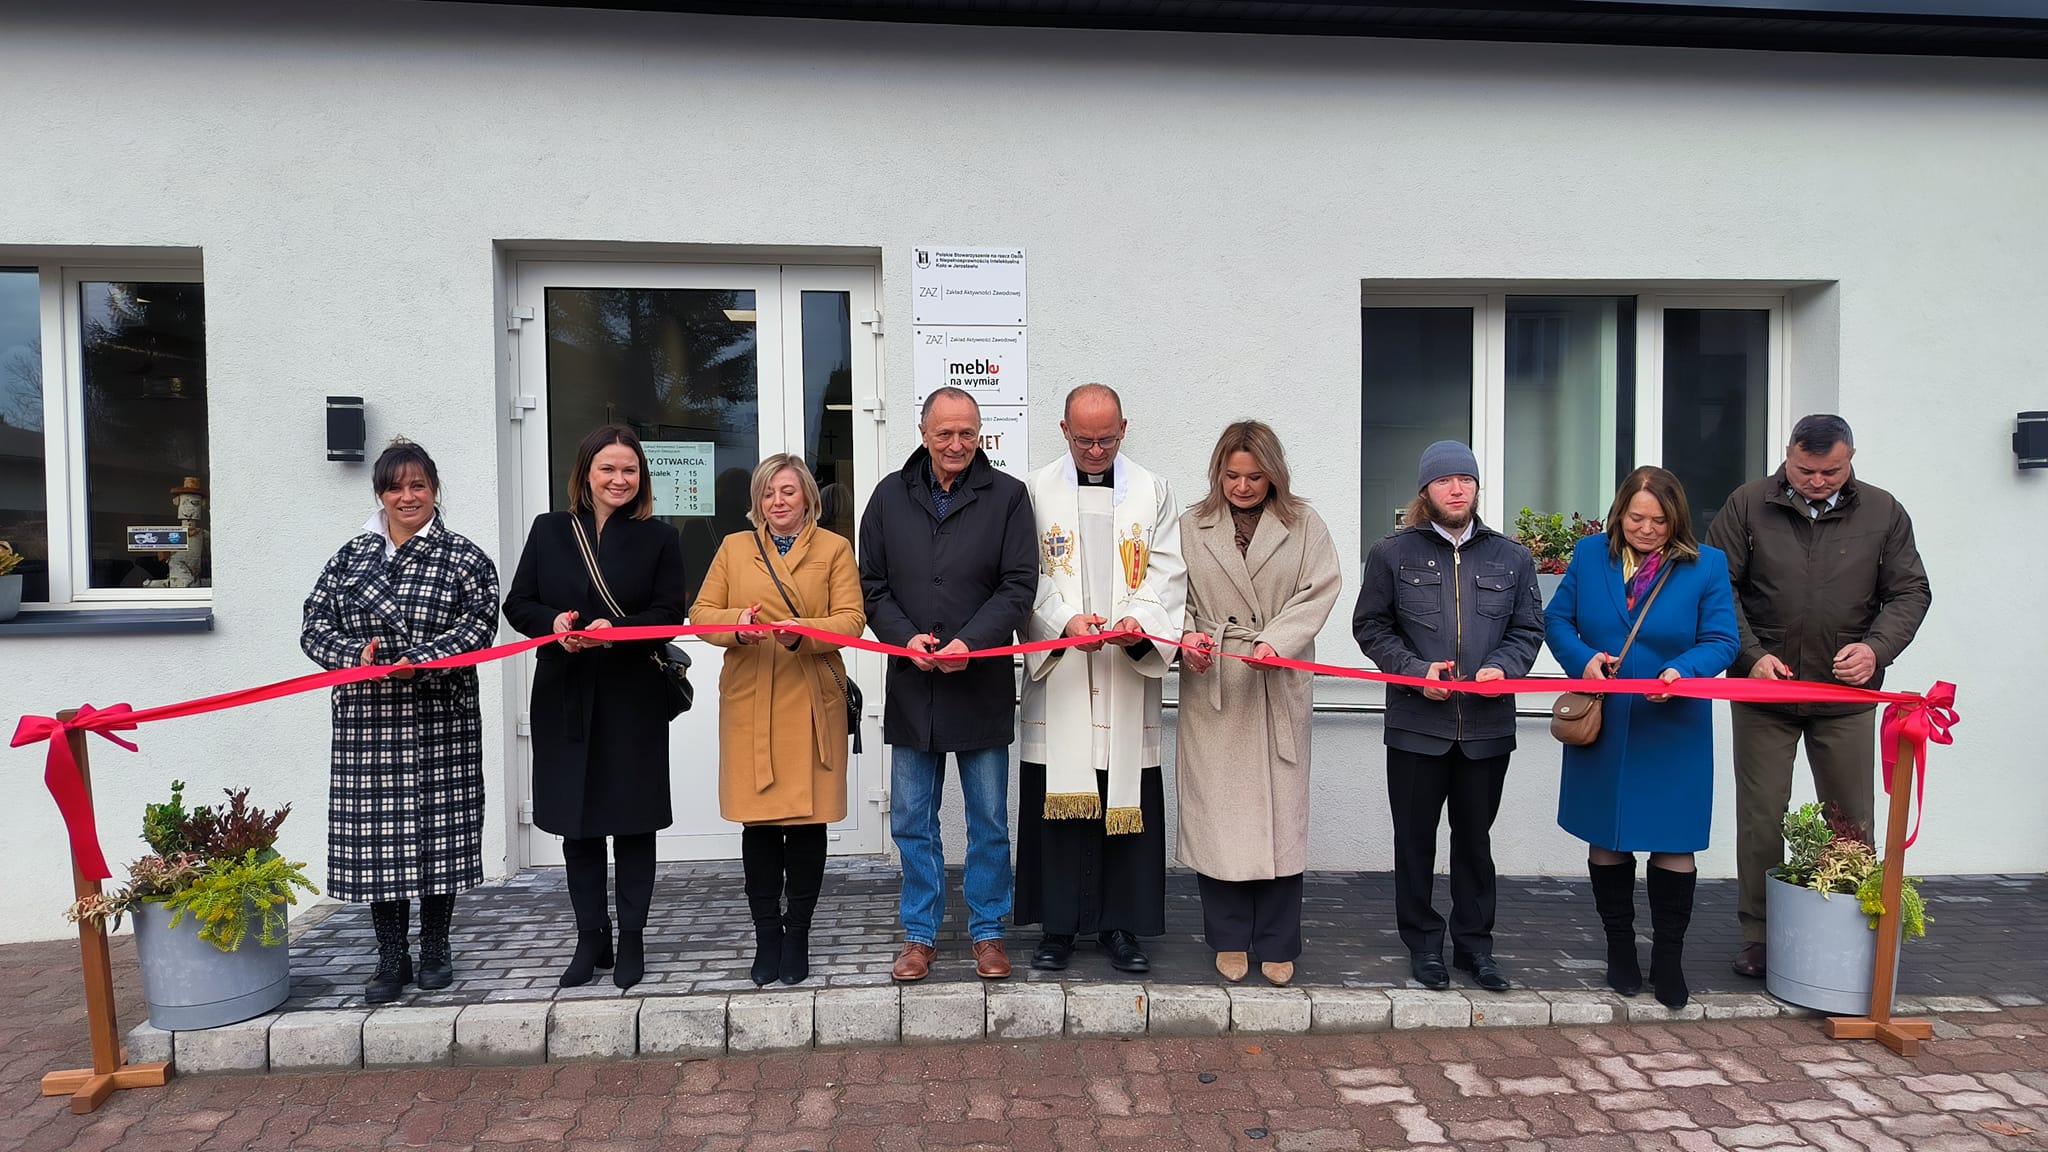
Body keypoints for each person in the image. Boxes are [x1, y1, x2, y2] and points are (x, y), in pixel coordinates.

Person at [1705, 414, 1931, 979]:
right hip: (1764, 690)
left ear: (1851, 458)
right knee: (1762, 818)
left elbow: (1910, 591)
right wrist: (1750, 656)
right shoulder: (1746, 504)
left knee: (1850, 819)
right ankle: (1761, 937)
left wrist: (1876, 650)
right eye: (1805, 470)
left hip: (1846, 695)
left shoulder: (1883, 511)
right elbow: (1716, 587)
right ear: (1788, 454)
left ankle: (1853, 931)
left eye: (1831, 471)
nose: (1817, 481)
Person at [301, 439, 499, 1004]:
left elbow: (479, 626)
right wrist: (356, 656)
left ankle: (435, 947)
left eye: (418, 486)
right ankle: (391, 955)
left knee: (440, 837)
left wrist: (422, 661)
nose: (407, 497)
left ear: (434, 490)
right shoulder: (350, 558)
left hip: (440, 716)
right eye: (395, 487)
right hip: (369, 722)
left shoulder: (464, 558)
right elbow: (314, 625)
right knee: (379, 843)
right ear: (380, 494)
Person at [858, 387, 1037, 982]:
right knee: (912, 821)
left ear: (979, 433)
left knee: (988, 821)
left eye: (967, 433)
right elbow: (872, 586)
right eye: (944, 433)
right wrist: (905, 638)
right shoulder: (888, 496)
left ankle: (988, 932)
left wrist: (973, 643)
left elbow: (1018, 585)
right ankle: (920, 935)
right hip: (914, 687)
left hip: (979, 683)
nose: (956, 444)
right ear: (923, 433)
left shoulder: (1008, 496)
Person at [1543, 466, 1739, 1009]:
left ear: (1676, 520)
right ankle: (1620, 949)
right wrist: (1584, 661)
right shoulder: (1589, 555)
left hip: (1673, 725)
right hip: (1604, 724)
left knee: (1674, 842)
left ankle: (1669, 958)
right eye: (1636, 518)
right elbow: (1557, 621)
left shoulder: (1706, 565)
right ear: (1619, 513)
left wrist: (1683, 672)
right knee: (1607, 838)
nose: (1647, 529)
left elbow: (1722, 640)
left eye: (1659, 520)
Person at [1353, 441, 1543, 993]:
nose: (1456, 489)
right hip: (1416, 727)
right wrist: (1415, 671)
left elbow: (1528, 629)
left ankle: (1475, 948)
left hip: (1487, 729)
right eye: (1444, 481)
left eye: (1465, 479)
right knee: (1415, 843)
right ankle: (1423, 946)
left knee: (1474, 843)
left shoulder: (1512, 557)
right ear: (1425, 490)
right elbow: (1371, 627)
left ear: (1477, 487)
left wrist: (1503, 667)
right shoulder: (1391, 554)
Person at [504, 425, 689, 990]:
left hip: (632, 698)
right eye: (608, 468)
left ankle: (632, 938)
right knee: (577, 827)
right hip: (565, 695)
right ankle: (591, 938)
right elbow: (519, 604)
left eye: (629, 470)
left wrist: (619, 630)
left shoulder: (659, 537)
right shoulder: (550, 530)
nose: (618, 479)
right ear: (586, 473)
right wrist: (554, 623)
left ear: (642, 477)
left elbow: (669, 615)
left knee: (633, 825)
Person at [1016, 383, 1187, 974]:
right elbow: (1024, 573)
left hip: (1123, 669)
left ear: (1124, 430)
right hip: (1062, 671)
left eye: (1107, 440)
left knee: (1125, 801)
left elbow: (1167, 572)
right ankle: (1058, 928)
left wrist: (1139, 623)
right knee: (1059, 804)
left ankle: (1122, 927)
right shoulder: (1034, 491)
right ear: (1064, 430)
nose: (1096, 450)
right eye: (1084, 439)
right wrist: (1063, 621)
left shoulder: (1153, 491)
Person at [1176, 421, 1341, 987]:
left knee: (1280, 821)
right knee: (1219, 819)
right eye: (1232, 475)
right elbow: (1171, 595)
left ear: (1274, 474)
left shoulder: (1304, 524)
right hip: (1217, 686)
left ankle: (1277, 940)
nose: (1242, 487)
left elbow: (1320, 588)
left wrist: (1279, 641)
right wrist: (1188, 638)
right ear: (1217, 473)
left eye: (1254, 476)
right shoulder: (1191, 526)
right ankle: (1227, 938)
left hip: (1275, 683)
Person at [691, 453, 866, 986]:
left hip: (811, 699)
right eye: (768, 493)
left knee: (808, 826)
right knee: (760, 826)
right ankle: (767, 935)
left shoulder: (834, 549)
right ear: (756, 501)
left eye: (788, 491)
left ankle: (799, 935)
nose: (778, 501)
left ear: (808, 497)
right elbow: (701, 614)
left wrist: (802, 632)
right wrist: (737, 625)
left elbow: (852, 620)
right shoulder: (734, 548)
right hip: (752, 700)